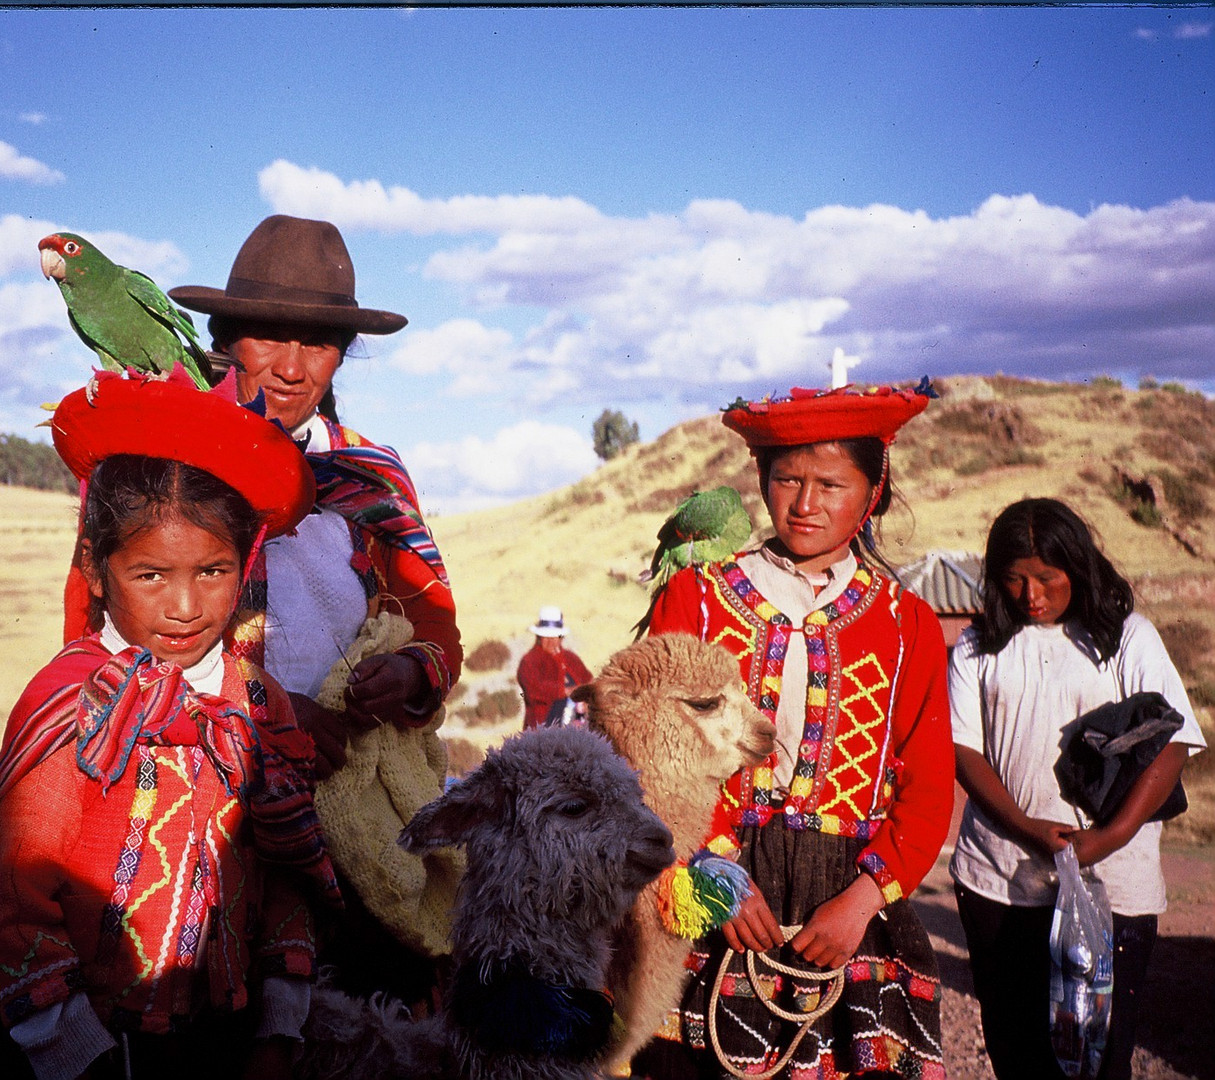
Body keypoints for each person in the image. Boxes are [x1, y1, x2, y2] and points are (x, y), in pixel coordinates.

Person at [0, 371, 339, 1080]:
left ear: (246, 565)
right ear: (96, 571)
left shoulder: (259, 708)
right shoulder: (75, 703)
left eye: (214, 570)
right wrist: (72, 1050)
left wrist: (277, 1027)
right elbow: (9, 892)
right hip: (68, 1052)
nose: (186, 606)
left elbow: (287, 880)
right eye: (150, 576)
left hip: (213, 1047)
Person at [164, 214, 463, 1007]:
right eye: (269, 337)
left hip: (349, 815)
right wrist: (272, 717)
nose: (295, 368)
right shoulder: (166, 463)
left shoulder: (369, 474)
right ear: (226, 337)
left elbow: (433, 618)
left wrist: (409, 670)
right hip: (199, 807)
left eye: (321, 344)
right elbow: (113, 640)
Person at [641, 382, 953, 1080]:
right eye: (786, 479)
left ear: (870, 495)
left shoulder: (908, 627)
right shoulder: (696, 598)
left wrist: (862, 902)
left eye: (831, 485)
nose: (805, 503)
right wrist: (714, 875)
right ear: (759, 480)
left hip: (847, 897)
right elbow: (657, 756)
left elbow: (929, 785)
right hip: (717, 877)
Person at [948, 497, 1204, 1080]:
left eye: (1046, 578)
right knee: (1018, 1052)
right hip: (1001, 876)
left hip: (1113, 883)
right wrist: (1024, 827)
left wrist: (1111, 836)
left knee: (1100, 1056)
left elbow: (1176, 742)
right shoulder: (978, 644)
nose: (1030, 595)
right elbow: (962, 748)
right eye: (1014, 579)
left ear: (1078, 568)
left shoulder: (1127, 638)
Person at [516, 605, 593, 729]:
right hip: (541, 730)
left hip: (577, 729)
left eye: (555, 637)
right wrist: (566, 691)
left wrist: (586, 701)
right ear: (539, 637)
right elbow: (534, 691)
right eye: (546, 637)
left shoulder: (571, 658)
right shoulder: (529, 661)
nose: (551, 641)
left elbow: (589, 682)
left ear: (561, 637)